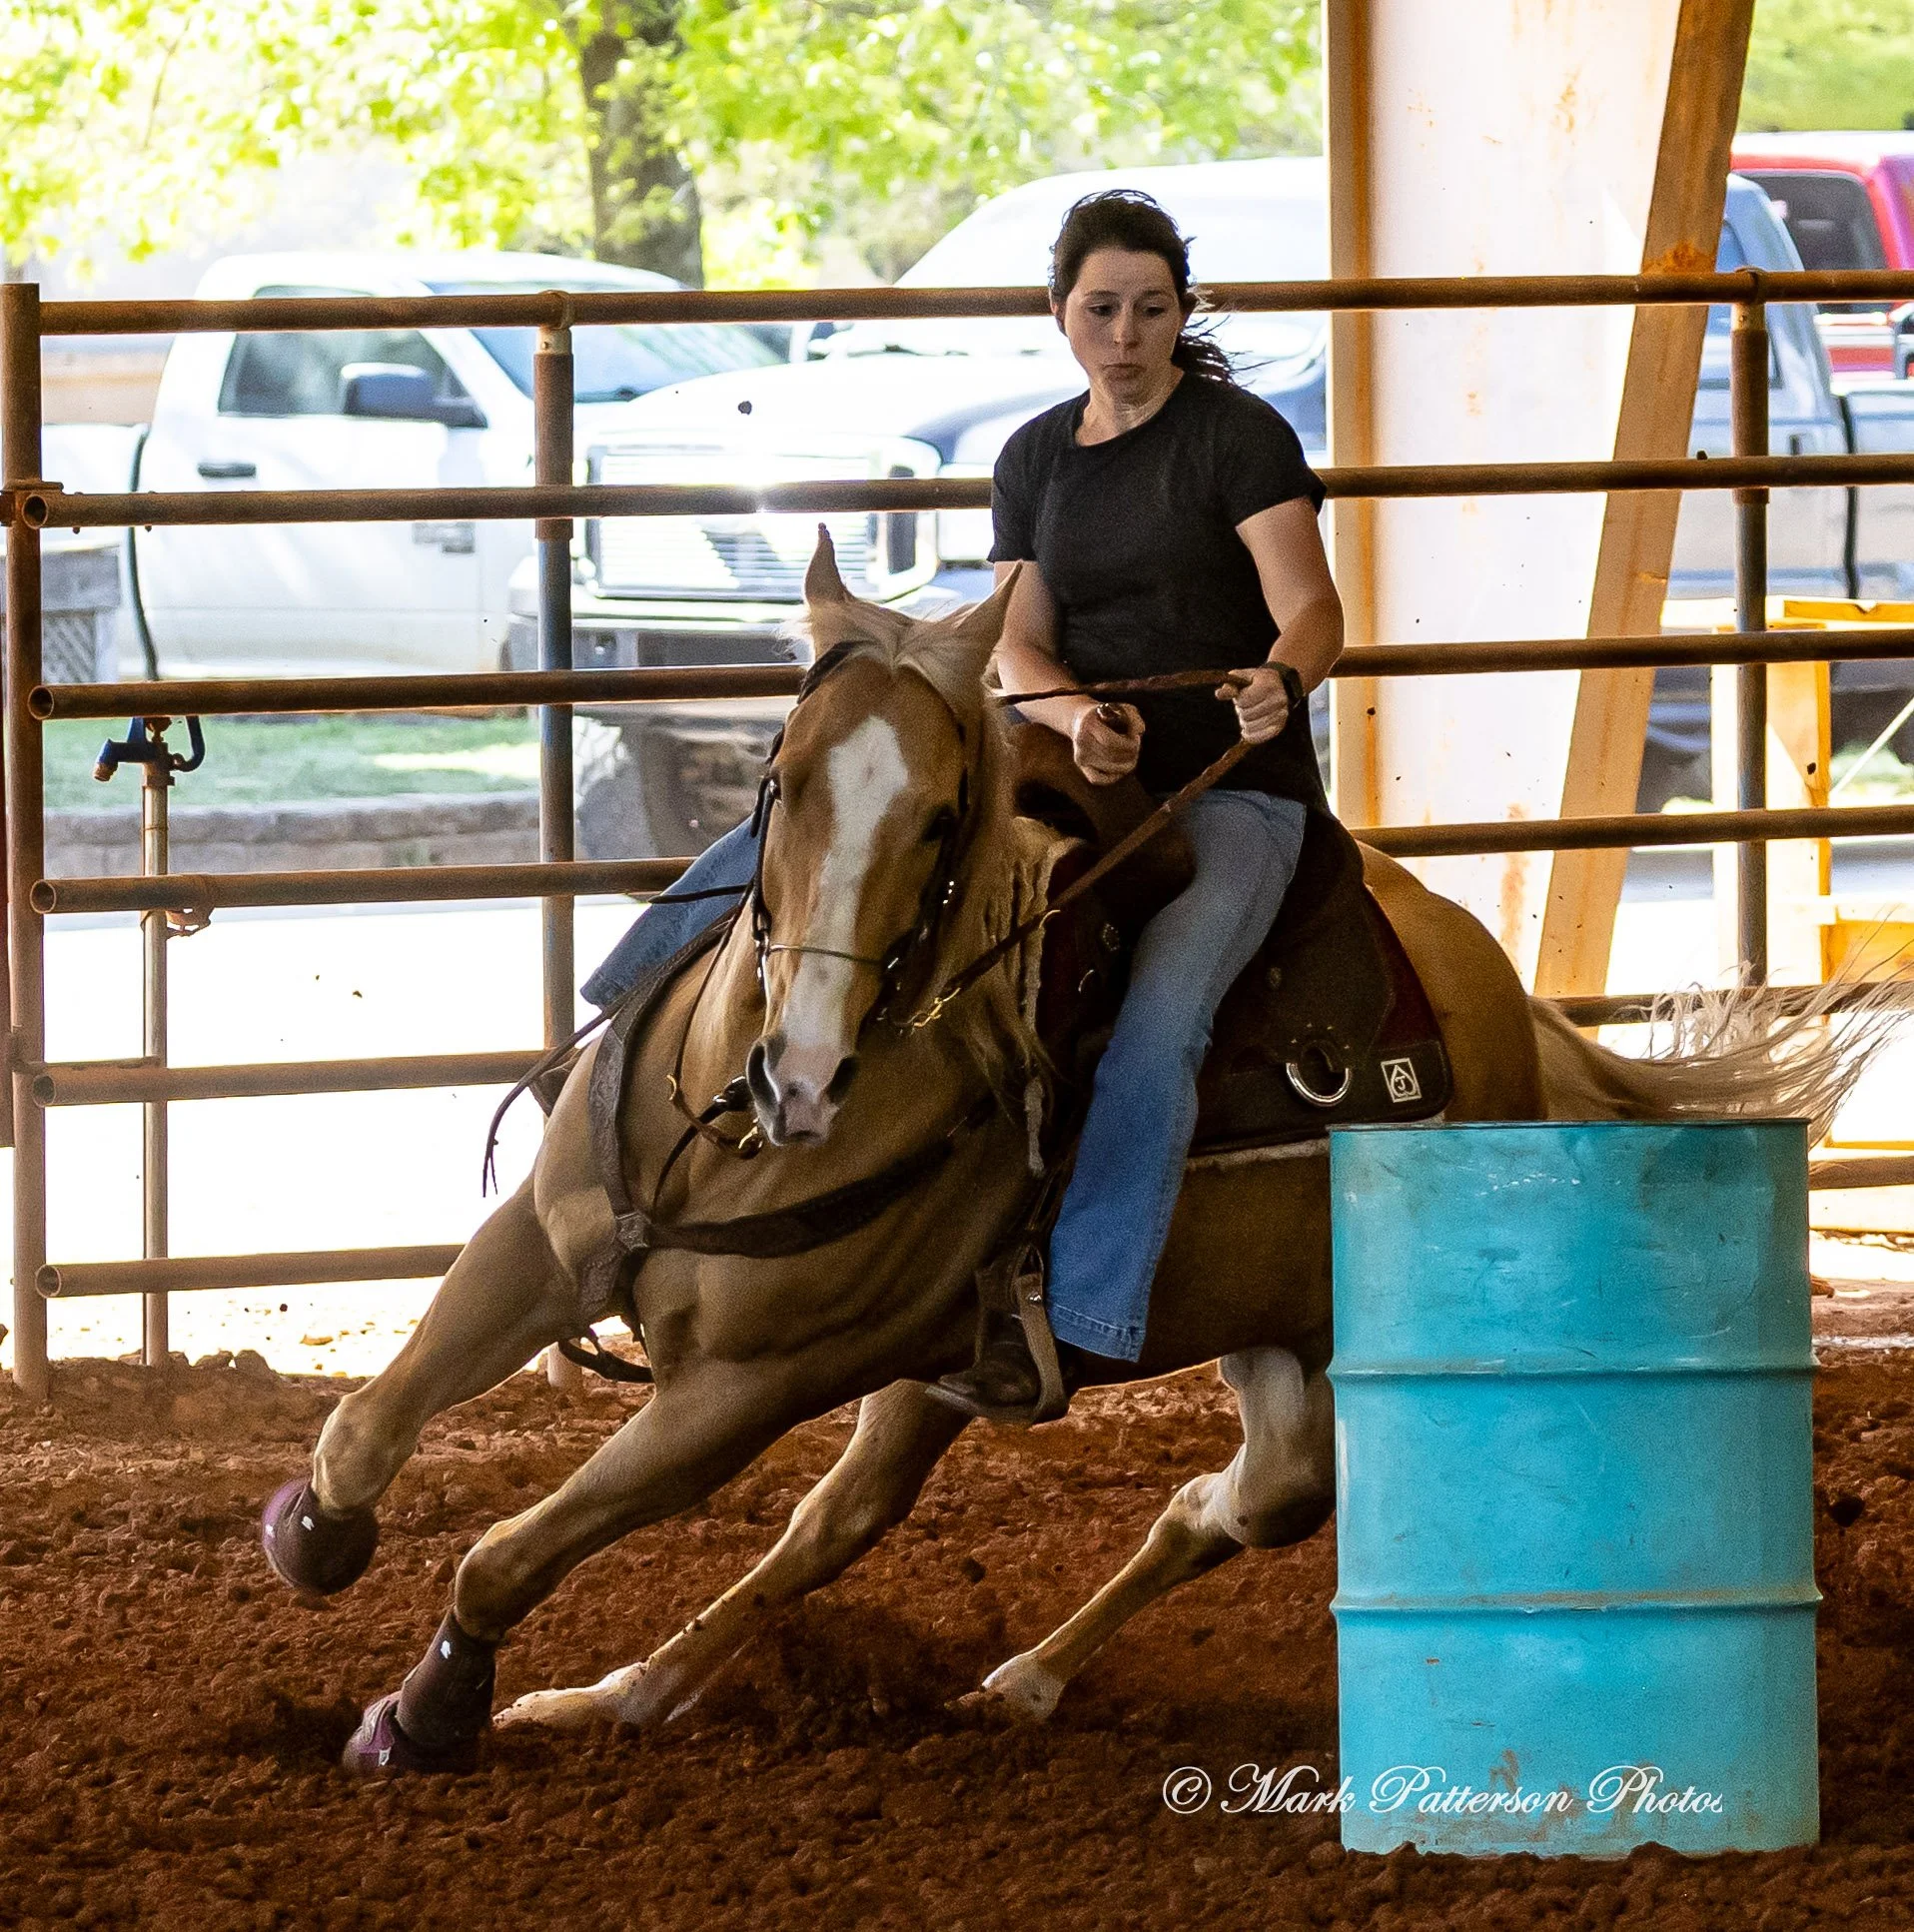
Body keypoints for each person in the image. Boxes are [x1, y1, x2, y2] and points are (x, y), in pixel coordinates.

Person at [581, 188, 1344, 1422]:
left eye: (1151, 308)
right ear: (1062, 318)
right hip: (1068, 763)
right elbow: (1018, 643)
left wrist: (1279, 680)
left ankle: (1086, 1312)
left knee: (1163, 1019)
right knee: (816, 841)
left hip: (1231, 789)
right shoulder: (1035, 455)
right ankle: (623, 1026)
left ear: (1178, 314)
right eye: (1101, 308)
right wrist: (1075, 717)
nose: (1126, 330)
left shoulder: (1238, 438)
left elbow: (1310, 605)